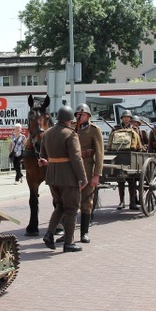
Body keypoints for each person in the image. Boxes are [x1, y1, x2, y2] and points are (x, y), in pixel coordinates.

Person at [39, 106, 88, 253]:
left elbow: (42, 154)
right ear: (69, 120)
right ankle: (68, 243)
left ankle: (49, 233)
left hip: (52, 176)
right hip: (68, 177)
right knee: (71, 209)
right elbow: (76, 158)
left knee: (60, 206)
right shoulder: (70, 134)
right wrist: (83, 177)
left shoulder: (47, 134)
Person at [74, 103, 104, 243]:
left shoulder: (94, 130)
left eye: (82, 115)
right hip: (72, 170)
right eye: (77, 115)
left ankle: (84, 233)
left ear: (88, 116)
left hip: (87, 168)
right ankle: (68, 233)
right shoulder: (71, 128)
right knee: (70, 202)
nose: (80, 117)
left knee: (86, 202)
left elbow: (99, 153)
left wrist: (97, 174)